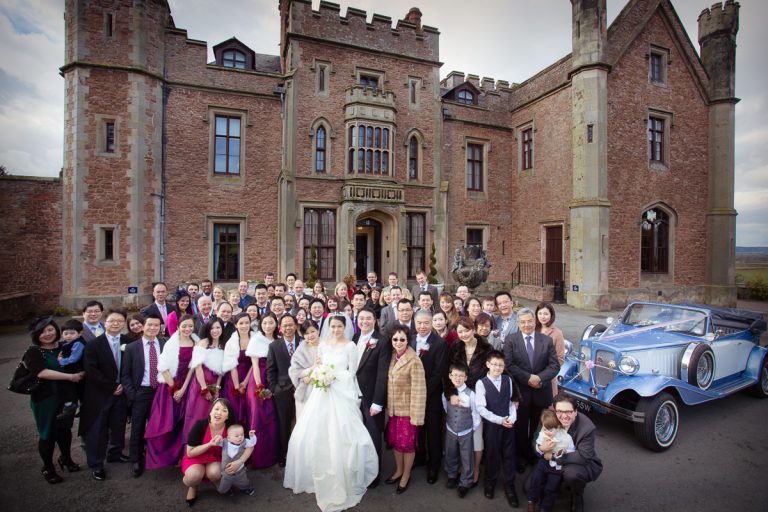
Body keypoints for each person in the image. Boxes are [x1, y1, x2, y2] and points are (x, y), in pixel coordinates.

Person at [284, 315, 378, 511]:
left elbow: (352, 372)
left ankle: (344, 472)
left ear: (345, 327)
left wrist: (333, 376)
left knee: (344, 433)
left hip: (341, 391)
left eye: (339, 326)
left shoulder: (350, 347)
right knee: (315, 431)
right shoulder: (323, 345)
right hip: (321, 392)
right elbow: (318, 366)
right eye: (333, 326)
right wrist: (320, 374)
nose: (335, 329)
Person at [23, 316, 85, 484]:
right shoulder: (34, 352)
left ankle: (66, 459)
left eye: (50, 329)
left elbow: (79, 363)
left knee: (64, 430)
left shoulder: (64, 346)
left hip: (66, 397)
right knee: (48, 433)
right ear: (36, 335)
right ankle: (48, 467)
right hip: (46, 399)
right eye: (42, 332)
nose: (47, 334)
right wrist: (71, 377)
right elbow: (41, 373)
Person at [503, 307, 560, 471]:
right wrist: (528, 378)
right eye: (523, 322)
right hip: (521, 392)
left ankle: (535, 454)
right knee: (520, 427)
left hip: (541, 391)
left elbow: (554, 365)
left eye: (529, 321)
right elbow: (509, 364)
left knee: (538, 427)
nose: (527, 325)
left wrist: (539, 378)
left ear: (534, 322)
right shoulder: (511, 339)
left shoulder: (546, 340)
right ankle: (521, 456)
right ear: (518, 323)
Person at [80, 309, 130, 481]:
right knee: (98, 430)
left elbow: (132, 366)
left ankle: (115, 453)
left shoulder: (127, 342)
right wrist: (112, 386)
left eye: (119, 321)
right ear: (105, 323)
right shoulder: (94, 344)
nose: (115, 324)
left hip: (122, 392)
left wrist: (123, 384)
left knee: (118, 425)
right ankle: (96, 464)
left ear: (124, 324)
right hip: (100, 394)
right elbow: (91, 370)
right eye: (111, 321)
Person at [145, 314, 197, 470]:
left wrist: (184, 388)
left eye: (190, 326)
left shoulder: (195, 342)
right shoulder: (171, 343)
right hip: (170, 384)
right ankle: (163, 456)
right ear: (178, 327)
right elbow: (163, 367)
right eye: (184, 326)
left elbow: (193, 367)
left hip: (186, 385)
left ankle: (180, 455)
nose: (187, 329)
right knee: (168, 420)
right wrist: (174, 388)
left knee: (183, 422)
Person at [447, 315, 492, 484]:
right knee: (459, 432)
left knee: (476, 434)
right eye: (460, 332)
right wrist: (451, 394)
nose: (464, 334)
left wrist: (515, 395)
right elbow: (448, 372)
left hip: (479, 395)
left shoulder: (485, 347)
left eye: (467, 330)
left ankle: (475, 467)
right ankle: (461, 465)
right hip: (459, 394)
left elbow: (496, 369)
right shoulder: (455, 347)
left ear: (473, 329)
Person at [120, 314, 164, 477]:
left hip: (160, 391)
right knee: (138, 427)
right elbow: (125, 374)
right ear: (143, 326)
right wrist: (133, 394)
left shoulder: (163, 343)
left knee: (158, 424)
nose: (153, 328)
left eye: (157, 325)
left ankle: (155, 454)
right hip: (142, 391)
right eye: (150, 325)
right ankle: (136, 459)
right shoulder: (132, 347)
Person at [543, 395, 602, 512]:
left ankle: (577, 494)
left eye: (569, 411)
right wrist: (541, 447)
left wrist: (555, 457)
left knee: (572, 475)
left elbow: (584, 456)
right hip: (551, 458)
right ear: (554, 411)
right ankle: (556, 482)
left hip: (575, 462)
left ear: (576, 412)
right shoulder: (548, 418)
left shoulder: (587, 428)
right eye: (559, 411)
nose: (564, 416)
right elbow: (536, 440)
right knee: (528, 488)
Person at [385, 325, 426, 494]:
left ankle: (406, 474)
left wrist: (415, 416)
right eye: (395, 339)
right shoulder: (392, 357)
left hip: (408, 412)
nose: (399, 342)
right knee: (396, 443)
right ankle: (399, 470)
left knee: (407, 445)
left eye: (402, 339)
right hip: (394, 410)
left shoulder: (414, 360)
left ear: (408, 340)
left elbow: (419, 389)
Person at [351, 308, 389, 487]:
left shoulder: (382, 341)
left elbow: (382, 374)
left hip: (371, 398)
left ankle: (374, 475)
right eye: (361, 318)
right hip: (352, 396)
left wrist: (378, 402)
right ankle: (359, 470)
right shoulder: (355, 338)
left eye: (368, 318)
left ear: (375, 320)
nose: (364, 321)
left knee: (373, 437)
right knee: (356, 437)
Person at [475, 350, 518, 507]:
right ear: (488, 365)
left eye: (500, 365)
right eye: (494, 364)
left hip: (509, 424)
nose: (497, 368)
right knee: (492, 454)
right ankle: (490, 482)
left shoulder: (508, 380)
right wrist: (499, 420)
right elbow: (481, 408)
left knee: (509, 454)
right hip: (493, 425)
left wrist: (512, 418)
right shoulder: (481, 383)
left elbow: (511, 403)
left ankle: (510, 485)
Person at [411, 308, 448, 484]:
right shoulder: (410, 340)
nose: (423, 326)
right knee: (418, 428)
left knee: (433, 432)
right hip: (413, 394)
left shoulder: (439, 344)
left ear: (432, 323)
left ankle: (434, 465)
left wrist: (423, 392)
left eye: (426, 323)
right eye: (419, 323)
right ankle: (420, 457)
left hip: (431, 395)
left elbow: (439, 372)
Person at [182, 398, 234, 507]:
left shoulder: (230, 429)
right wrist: (209, 444)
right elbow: (190, 452)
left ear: (228, 416)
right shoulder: (200, 425)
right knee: (193, 477)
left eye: (224, 410)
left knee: (215, 473)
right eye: (216, 409)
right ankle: (193, 486)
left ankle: (213, 478)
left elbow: (237, 448)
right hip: (196, 457)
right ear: (210, 412)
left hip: (215, 458)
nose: (219, 413)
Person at [183, 318, 226, 445]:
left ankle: (208, 445)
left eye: (218, 327)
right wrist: (204, 388)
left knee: (212, 416)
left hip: (214, 382)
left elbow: (221, 370)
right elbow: (197, 366)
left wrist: (217, 388)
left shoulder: (223, 345)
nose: (215, 330)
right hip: (200, 382)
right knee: (197, 414)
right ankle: (191, 447)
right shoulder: (203, 343)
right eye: (212, 328)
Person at [245, 312, 280, 468]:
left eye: (271, 322)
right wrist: (260, 387)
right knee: (258, 416)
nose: (268, 326)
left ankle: (271, 454)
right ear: (261, 324)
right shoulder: (257, 339)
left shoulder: (277, 341)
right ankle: (257, 456)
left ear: (275, 324)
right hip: (258, 380)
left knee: (271, 416)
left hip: (272, 380)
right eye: (265, 323)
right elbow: (254, 365)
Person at [267, 314, 301, 467]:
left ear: (296, 325)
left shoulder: (304, 342)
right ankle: (284, 455)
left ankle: (300, 453)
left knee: (301, 422)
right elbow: (270, 369)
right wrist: (274, 389)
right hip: (283, 390)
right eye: (285, 325)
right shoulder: (274, 346)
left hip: (302, 388)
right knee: (284, 423)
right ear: (280, 328)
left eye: (290, 324)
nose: (288, 328)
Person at [442, 362, 481, 498]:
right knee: (450, 452)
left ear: (465, 377)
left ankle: (465, 482)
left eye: (461, 376)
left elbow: (476, 414)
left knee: (466, 457)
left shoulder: (471, 394)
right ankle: (452, 474)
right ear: (450, 376)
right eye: (455, 376)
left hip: (466, 430)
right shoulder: (446, 393)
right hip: (451, 429)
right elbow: (446, 408)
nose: (457, 378)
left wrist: (472, 428)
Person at [527, 409, 575, 512]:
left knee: (551, 488)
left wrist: (557, 456)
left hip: (557, 467)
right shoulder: (542, 433)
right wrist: (541, 449)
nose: (547, 432)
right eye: (545, 429)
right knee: (535, 481)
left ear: (558, 427)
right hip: (543, 463)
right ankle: (531, 501)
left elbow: (571, 453)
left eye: (551, 429)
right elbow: (537, 446)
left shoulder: (567, 438)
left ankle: (545, 507)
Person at [222, 313, 255, 424]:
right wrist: (237, 386)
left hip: (251, 375)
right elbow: (232, 366)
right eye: (241, 323)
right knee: (234, 407)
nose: (244, 326)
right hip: (234, 377)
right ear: (236, 325)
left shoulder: (255, 339)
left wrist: (245, 382)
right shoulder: (231, 342)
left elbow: (255, 364)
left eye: (247, 323)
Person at [288, 320, 321, 419]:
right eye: (306, 333)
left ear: (318, 331)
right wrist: (311, 369)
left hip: (323, 388)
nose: (310, 335)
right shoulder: (301, 349)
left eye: (312, 331)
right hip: (305, 390)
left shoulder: (326, 346)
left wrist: (312, 375)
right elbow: (294, 371)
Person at [56, 318, 86, 422]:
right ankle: (71, 405)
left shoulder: (78, 344)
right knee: (70, 389)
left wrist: (61, 361)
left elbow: (74, 358)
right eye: (66, 333)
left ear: (79, 334)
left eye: (72, 333)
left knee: (78, 389)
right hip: (70, 370)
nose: (68, 336)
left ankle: (76, 406)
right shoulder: (64, 343)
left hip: (76, 369)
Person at [535, 302, 566, 398]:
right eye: (540, 313)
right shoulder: (531, 330)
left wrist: (545, 372)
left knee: (547, 408)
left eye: (546, 314)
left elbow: (560, 358)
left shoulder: (557, 333)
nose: (542, 317)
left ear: (551, 315)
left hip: (547, 377)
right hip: (530, 375)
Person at [216, 424, 257, 497]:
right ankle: (228, 489)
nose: (240, 437)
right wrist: (218, 438)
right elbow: (216, 442)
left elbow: (252, 444)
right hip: (226, 472)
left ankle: (246, 488)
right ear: (229, 438)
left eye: (242, 434)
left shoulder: (245, 442)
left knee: (244, 482)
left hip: (240, 471)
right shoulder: (225, 442)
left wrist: (252, 436)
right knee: (223, 488)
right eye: (236, 436)